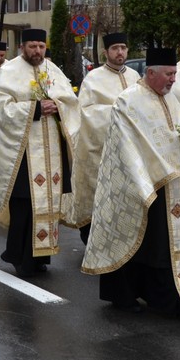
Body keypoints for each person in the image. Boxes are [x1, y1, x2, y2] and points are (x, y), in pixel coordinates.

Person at [81, 49, 180, 315]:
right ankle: (125, 296)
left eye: (175, 74)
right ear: (151, 73)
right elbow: (125, 146)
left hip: (171, 184)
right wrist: (149, 176)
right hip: (139, 184)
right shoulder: (128, 101)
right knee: (143, 243)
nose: (173, 79)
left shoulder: (171, 98)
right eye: (168, 74)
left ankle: (176, 300)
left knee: (164, 246)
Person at [0, 28, 80, 277]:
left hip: (51, 151)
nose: (37, 51)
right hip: (23, 151)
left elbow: (71, 101)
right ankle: (18, 256)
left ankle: (40, 255)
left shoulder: (52, 69)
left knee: (47, 203)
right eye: (32, 46)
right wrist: (36, 108)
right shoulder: (9, 71)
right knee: (24, 205)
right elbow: (1, 108)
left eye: (41, 46)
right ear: (22, 47)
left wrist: (58, 105)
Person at [69, 32, 140, 242]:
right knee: (98, 191)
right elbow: (86, 111)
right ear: (105, 52)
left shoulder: (135, 77)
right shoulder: (93, 78)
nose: (120, 52)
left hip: (131, 148)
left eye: (123, 48)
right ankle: (92, 235)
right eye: (115, 48)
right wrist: (117, 111)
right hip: (100, 147)